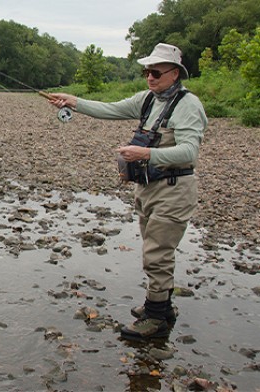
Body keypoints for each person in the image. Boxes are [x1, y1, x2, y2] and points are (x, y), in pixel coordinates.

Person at [49, 43, 207, 340]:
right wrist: (73, 101)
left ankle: (156, 318)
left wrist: (146, 155)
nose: (149, 77)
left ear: (174, 74)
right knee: (154, 251)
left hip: (174, 190)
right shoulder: (148, 99)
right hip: (148, 189)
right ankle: (162, 307)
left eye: (156, 72)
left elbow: (189, 152)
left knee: (156, 255)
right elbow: (111, 109)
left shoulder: (188, 105)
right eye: (147, 71)